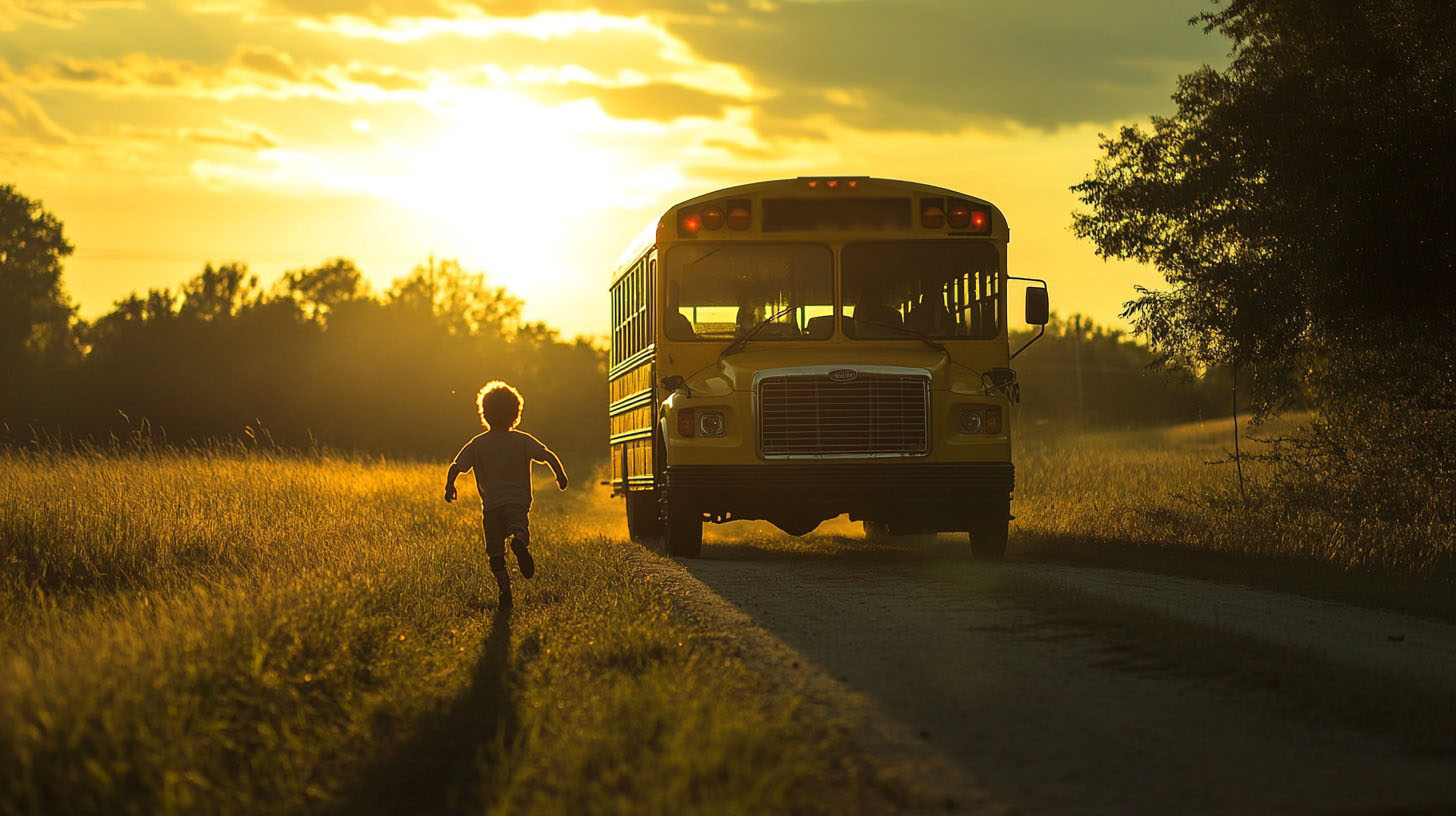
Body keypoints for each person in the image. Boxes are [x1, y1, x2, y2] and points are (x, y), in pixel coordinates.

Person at [444, 380, 568, 609]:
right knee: (519, 528)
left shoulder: (477, 444)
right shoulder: (522, 440)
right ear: (515, 413)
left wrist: (449, 486)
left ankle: (505, 591)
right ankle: (519, 542)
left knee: (495, 553)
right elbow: (547, 454)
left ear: (485, 414)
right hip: (517, 502)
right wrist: (560, 476)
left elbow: (456, 466)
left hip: (491, 507)